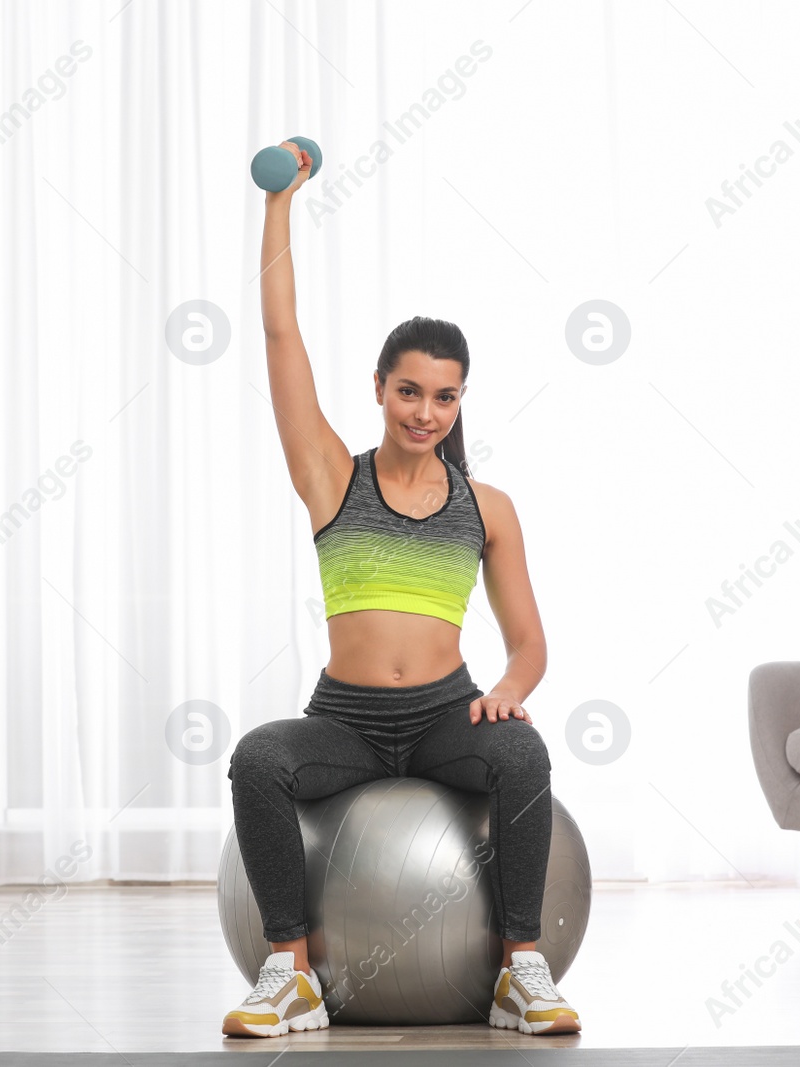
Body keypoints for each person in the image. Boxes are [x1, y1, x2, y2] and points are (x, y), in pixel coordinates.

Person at [221, 141, 579, 1039]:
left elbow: (530, 640)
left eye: (445, 397)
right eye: (409, 390)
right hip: (344, 720)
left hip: (443, 717)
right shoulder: (330, 480)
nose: (426, 411)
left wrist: (507, 693)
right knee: (259, 759)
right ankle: (291, 974)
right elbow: (279, 336)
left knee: (526, 756)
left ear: (462, 402)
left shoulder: (486, 508)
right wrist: (281, 205)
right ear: (379, 389)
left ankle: (518, 971)